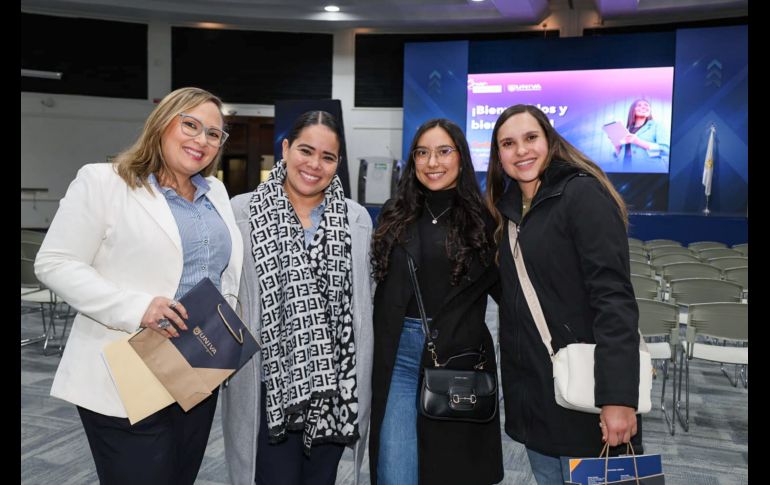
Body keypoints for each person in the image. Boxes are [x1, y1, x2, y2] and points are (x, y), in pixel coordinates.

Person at [34, 87, 242, 484]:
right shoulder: (104, 182)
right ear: (162, 124)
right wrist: (136, 307)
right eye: (191, 125)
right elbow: (54, 262)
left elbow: (223, 276)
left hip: (197, 366)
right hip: (125, 369)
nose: (202, 140)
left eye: (214, 134)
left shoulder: (214, 192)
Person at [485, 104, 642, 484]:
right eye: (508, 143)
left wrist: (618, 397)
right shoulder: (505, 213)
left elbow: (614, 298)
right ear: (498, 155)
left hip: (588, 395)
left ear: (550, 141)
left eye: (530, 138)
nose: (521, 150)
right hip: (536, 399)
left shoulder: (582, 194)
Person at [221, 111, 373, 485]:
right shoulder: (242, 211)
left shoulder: (355, 220)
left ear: (338, 164)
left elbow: (364, 301)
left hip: (334, 389)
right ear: (285, 149)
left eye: (327, 157)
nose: (314, 165)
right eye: (306, 150)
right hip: (266, 385)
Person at [369, 118, 503, 485]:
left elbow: (510, 294)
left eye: (444, 151)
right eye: (422, 153)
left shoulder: (485, 220)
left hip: (457, 354)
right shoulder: (394, 214)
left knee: (450, 470)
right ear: (412, 161)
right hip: (397, 353)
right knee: (395, 470)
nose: (432, 162)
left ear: (461, 157)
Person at [614, 98, 670, 172]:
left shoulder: (657, 125)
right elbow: (619, 155)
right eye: (639, 105)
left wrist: (637, 141)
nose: (643, 107)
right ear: (632, 110)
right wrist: (617, 146)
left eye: (646, 105)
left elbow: (665, 151)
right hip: (625, 170)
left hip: (649, 172)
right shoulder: (626, 130)